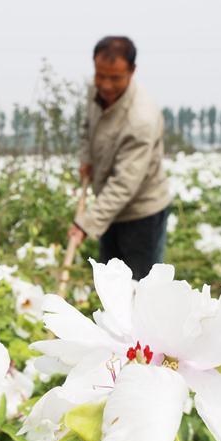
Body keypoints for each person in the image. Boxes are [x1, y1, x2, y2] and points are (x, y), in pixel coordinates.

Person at [67, 36, 172, 279]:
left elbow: (125, 183)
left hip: (141, 214)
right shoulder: (96, 91)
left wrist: (86, 224)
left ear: (132, 71)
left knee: (139, 288)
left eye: (115, 78)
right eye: (100, 75)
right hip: (109, 207)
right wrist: (87, 158)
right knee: (111, 284)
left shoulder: (141, 118)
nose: (105, 85)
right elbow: (88, 127)